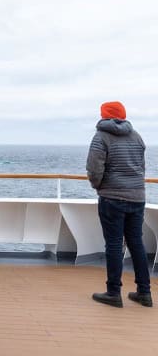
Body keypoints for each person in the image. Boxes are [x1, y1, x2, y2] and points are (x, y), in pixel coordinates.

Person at [87, 101, 152, 308]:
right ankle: (144, 292)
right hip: (137, 197)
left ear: (104, 115)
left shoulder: (101, 137)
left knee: (114, 245)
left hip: (112, 198)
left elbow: (94, 168)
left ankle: (113, 292)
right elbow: (141, 167)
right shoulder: (137, 136)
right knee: (136, 243)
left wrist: (98, 186)